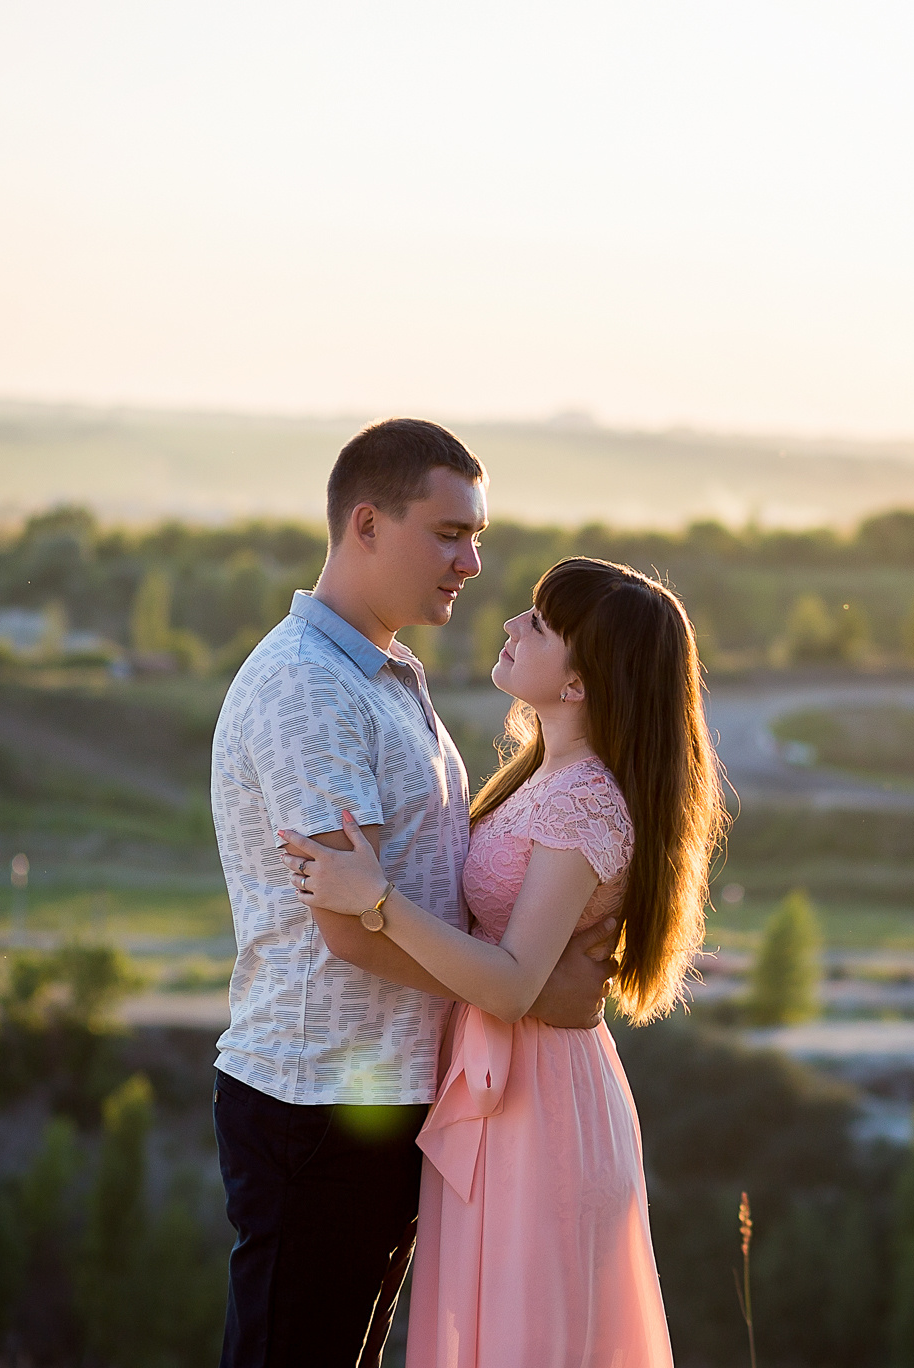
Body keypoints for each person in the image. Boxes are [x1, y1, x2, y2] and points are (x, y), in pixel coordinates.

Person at [210, 419, 620, 1368]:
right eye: (448, 533)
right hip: (316, 1099)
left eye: (476, 534)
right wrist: (523, 989)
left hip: (387, 1092)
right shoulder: (308, 687)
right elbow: (349, 929)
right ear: (366, 524)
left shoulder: (386, 672)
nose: (474, 560)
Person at [284, 556, 724, 1368]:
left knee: (526, 1338)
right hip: (507, 1085)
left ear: (581, 683)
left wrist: (374, 898)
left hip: (540, 1103)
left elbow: (517, 981)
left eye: (542, 624)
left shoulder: (586, 802)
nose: (515, 626)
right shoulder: (544, 778)